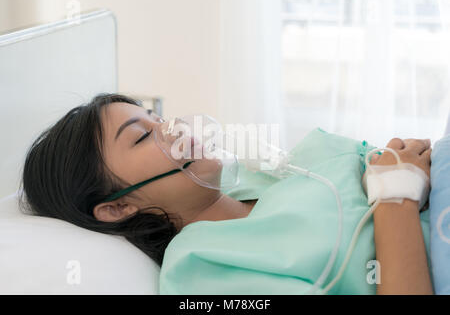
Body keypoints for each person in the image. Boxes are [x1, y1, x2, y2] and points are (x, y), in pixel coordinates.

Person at [20, 93, 433, 294]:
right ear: (117, 206)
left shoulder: (269, 175)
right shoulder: (199, 273)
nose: (174, 128)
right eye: (144, 135)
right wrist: (397, 197)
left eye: (158, 117)